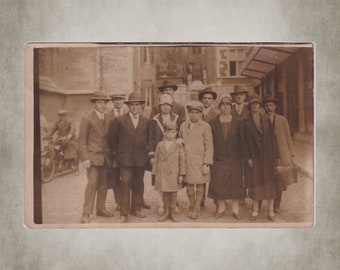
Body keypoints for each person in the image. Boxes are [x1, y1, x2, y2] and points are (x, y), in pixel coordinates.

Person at [109, 92, 150, 223]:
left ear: (141, 106)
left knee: (138, 183)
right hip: (125, 159)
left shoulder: (146, 121)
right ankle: (124, 213)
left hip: (140, 159)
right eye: (132, 104)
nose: (134, 107)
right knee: (125, 183)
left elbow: (149, 139)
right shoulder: (119, 120)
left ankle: (136, 209)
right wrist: (119, 152)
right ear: (128, 106)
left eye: (137, 105)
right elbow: (112, 138)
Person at [240, 95, 278, 221]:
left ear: (259, 105)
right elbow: (243, 142)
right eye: (252, 104)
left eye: (257, 103)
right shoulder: (245, 121)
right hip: (254, 156)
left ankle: (271, 209)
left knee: (270, 182)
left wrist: (275, 157)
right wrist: (248, 158)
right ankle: (255, 209)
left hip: (267, 157)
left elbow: (273, 139)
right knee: (255, 183)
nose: (255, 106)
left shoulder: (267, 119)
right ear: (249, 106)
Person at [208, 94, 245, 220]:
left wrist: (244, 157)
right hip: (218, 158)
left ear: (231, 106)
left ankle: (235, 209)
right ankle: (221, 208)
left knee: (235, 183)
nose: (225, 107)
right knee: (219, 183)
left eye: (227, 105)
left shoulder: (238, 122)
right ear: (219, 107)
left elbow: (242, 142)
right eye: (222, 105)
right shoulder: (212, 123)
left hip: (235, 159)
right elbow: (209, 142)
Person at [78, 92, 113, 224]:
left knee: (103, 185)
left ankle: (100, 209)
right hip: (92, 158)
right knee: (92, 184)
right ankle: (86, 213)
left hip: (106, 158)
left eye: (104, 103)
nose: (102, 105)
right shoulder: (87, 119)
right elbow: (81, 141)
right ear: (94, 104)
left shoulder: (109, 119)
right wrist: (85, 158)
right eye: (99, 102)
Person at [148, 94, 181, 216]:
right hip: (160, 154)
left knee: (173, 180)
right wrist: (151, 156)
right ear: (160, 106)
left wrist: (179, 140)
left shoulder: (176, 118)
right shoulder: (154, 120)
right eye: (163, 105)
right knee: (160, 180)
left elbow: (180, 132)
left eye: (168, 105)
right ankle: (161, 204)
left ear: (171, 106)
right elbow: (151, 138)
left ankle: (173, 204)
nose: (166, 107)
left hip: (172, 153)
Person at [179, 101, 214, 219]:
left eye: (197, 113)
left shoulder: (205, 126)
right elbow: (180, 139)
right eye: (192, 112)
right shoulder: (183, 125)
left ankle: (197, 207)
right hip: (187, 161)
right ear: (188, 113)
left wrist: (207, 163)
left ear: (201, 114)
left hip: (199, 161)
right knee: (189, 186)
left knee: (199, 186)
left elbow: (209, 145)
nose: (194, 115)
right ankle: (192, 205)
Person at [263, 96, 295, 214]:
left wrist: (291, 153)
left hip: (281, 153)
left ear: (275, 107)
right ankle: (268, 203)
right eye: (266, 105)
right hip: (267, 155)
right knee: (268, 179)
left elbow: (288, 136)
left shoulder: (282, 119)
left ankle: (277, 205)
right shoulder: (262, 119)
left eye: (271, 105)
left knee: (280, 180)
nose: (269, 107)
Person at [152, 122, 186, 222]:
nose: (170, 134)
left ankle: (172, 212)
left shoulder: (178, 144)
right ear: (164, 133)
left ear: (176, 133)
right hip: (162, 172)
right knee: (165, 192)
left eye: (172, 132)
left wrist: (181, 174)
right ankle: (166, 211)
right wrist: (155, 172)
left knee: (173, 193)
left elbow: (182, 160)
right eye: (167, 132)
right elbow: (156, 159)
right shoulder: (160, 145)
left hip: (174, 173)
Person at [106, 91, 129, 212]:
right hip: (113, 153)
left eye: (120, 99)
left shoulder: (129, 113)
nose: (118, 102)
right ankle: (118, 202)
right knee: (115, 177)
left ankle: (131, 202)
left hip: (127, 152)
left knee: (128, 178)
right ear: (112, 101)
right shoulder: (108, 115)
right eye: (115, 100)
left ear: (123, 100)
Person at [198, 87, 219, 207]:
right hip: (200, 148)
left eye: (209, 98)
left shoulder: (216, 114)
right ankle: (201, 201)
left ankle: (217, 200)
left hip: (214, 148)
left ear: (213, 100)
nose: (206, 100)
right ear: (201, 100)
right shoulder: (196, 112)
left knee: (215, 175)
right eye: (204, 98)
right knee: (201, 174)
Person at [231, 85, 249, 206]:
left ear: (245, 96)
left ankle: (244, 194)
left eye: (241, 94)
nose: (239, 97)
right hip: (232, 145)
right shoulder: (229, 108)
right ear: (234, 97)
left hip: (247, 144)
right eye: (237, 95)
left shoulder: (249, 108)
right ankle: (237, 195)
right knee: (235, 171)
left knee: (246, 171)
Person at [45, 109, 79, 175]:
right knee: (54, 149)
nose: (62, 117)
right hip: (60, 139)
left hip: (69, 139)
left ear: (65, 115)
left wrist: (70, 135)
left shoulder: (70, 121)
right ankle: (58, 164)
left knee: (73, 150)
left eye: (63, 115)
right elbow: (52, 130)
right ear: (59, 116)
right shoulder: (57, 123)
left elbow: (73, 128)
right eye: (60, 115)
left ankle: (76, 168)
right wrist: (46, 136)